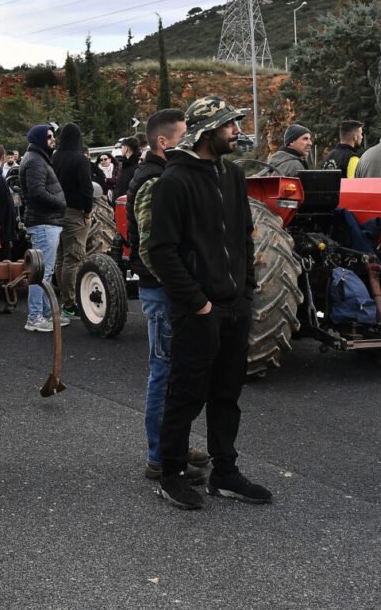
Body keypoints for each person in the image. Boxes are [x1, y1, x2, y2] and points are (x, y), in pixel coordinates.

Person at [145, 95, 271, 510]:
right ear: (205, 131)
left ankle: (226, 473)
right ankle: (172, 474)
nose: (236, 131)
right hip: (198, 312)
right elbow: (163, 252)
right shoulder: (173, 183)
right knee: (185, 395)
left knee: (226, 395)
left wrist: (246, 295)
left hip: (234, 307)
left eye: (235, 123)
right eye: (228, 125)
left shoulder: (233, 175)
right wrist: (199, 304)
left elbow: (243, 239)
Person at [123, 108, 211, 485]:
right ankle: (160, 456)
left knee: (175, 373)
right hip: (162, 293)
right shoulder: (153, 182)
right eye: (183, 135)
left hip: (164, 290)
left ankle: (174, 444)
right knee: (165, 374)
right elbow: (150, 247)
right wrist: (181, 290)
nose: (189, 141)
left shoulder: (161, 176)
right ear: (164, 142)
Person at [19, 124, 69, 333]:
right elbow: (36, 192)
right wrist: (59, 202)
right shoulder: (35, 161)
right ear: (40, 139)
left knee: (45, 271)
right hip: (43, 222)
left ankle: (48, 313)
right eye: (49, 137)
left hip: (47, 221)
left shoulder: (38, 159)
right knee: (41, 272)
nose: (53, 139)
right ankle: (35, 317)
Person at [51, 123, 92, 317]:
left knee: (60, 257)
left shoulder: (54, 157)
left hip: (55, 212)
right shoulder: (80, 160)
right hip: (75, 211)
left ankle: (64, 298)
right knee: (73, 257)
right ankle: (70, 303)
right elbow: (86, 188)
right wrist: (88, 211)